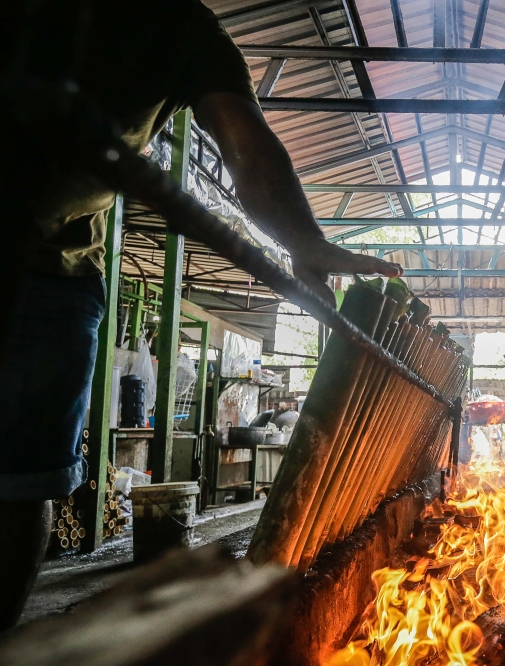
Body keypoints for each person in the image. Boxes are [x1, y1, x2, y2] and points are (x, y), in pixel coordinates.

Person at [0, 0, 401, 629]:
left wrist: (303, 241)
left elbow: (249, 144)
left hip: (54, 264)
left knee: (25, 480)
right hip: (50, 268)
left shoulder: (181, 26)